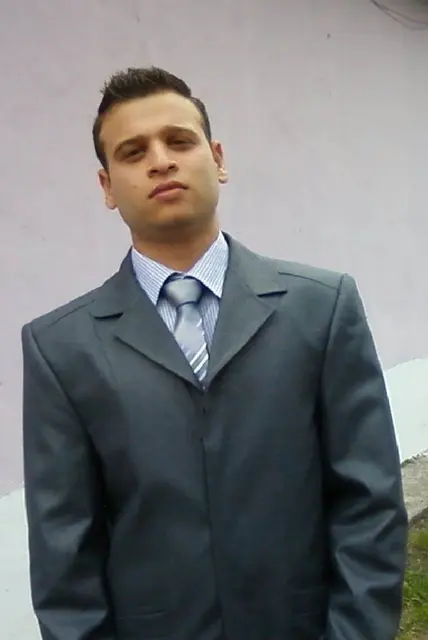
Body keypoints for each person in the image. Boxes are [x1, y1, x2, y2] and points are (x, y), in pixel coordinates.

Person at [22, 66, 408, 640]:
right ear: (106, 186)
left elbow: (368, 504)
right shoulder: (61, 348)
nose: (160, 161)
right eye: (133, 152)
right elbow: (65, 558)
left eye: (179, 141)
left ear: (218, 158)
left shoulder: (321, 309)